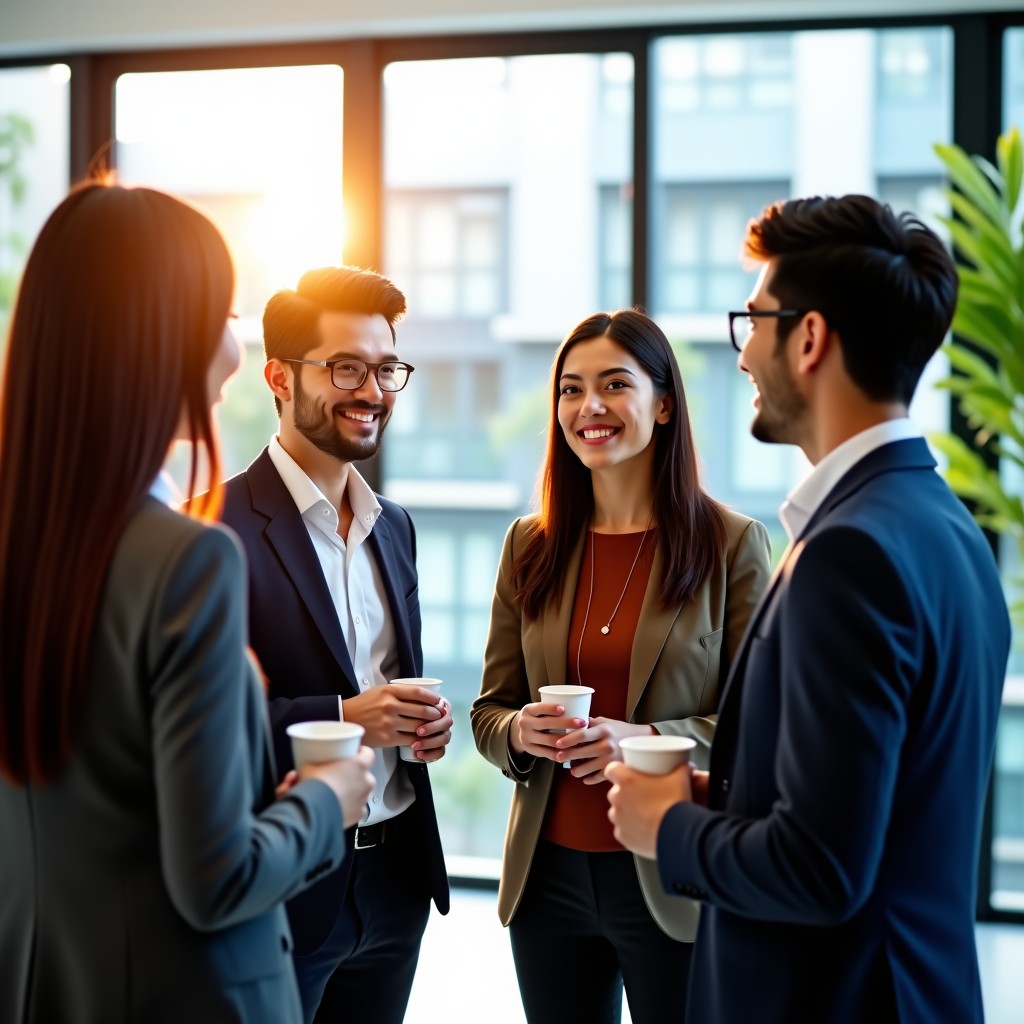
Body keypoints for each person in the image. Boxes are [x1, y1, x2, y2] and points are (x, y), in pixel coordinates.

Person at [606, 194, 1013, 1023]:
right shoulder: (947, 528)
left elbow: (821, 869)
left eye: (752, 320)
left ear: (810, 337)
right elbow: (880, 801)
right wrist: (718, 789)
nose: (745, 352)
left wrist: (668, 827)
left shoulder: (848, 554)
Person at [0, 181, 376, 1024]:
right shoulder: (187, 561)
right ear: (158, 336)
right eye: (224, 313)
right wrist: (328, 797)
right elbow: (217, 880)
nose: (235, 349)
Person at [471, 308, 771, 1024]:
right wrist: (520, 733)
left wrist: (634, 739)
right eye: (570, 390)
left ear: (663, 403)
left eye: (614, 384)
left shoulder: (733, 545)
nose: (588, 407)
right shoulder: (529, 545)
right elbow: (488, 712)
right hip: (546, 881)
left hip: (671, 875)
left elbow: (757, 726)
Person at [217, 265, 452, 1024]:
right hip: (287, 879)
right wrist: (348, 714)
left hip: (396, 883)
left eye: (386, 368)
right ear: (279, 378)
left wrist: (420, 728)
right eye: (346, 367)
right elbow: (210, 730)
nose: (373, 390)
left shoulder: (397, 527)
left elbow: (389, 681)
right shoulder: (213, 531)